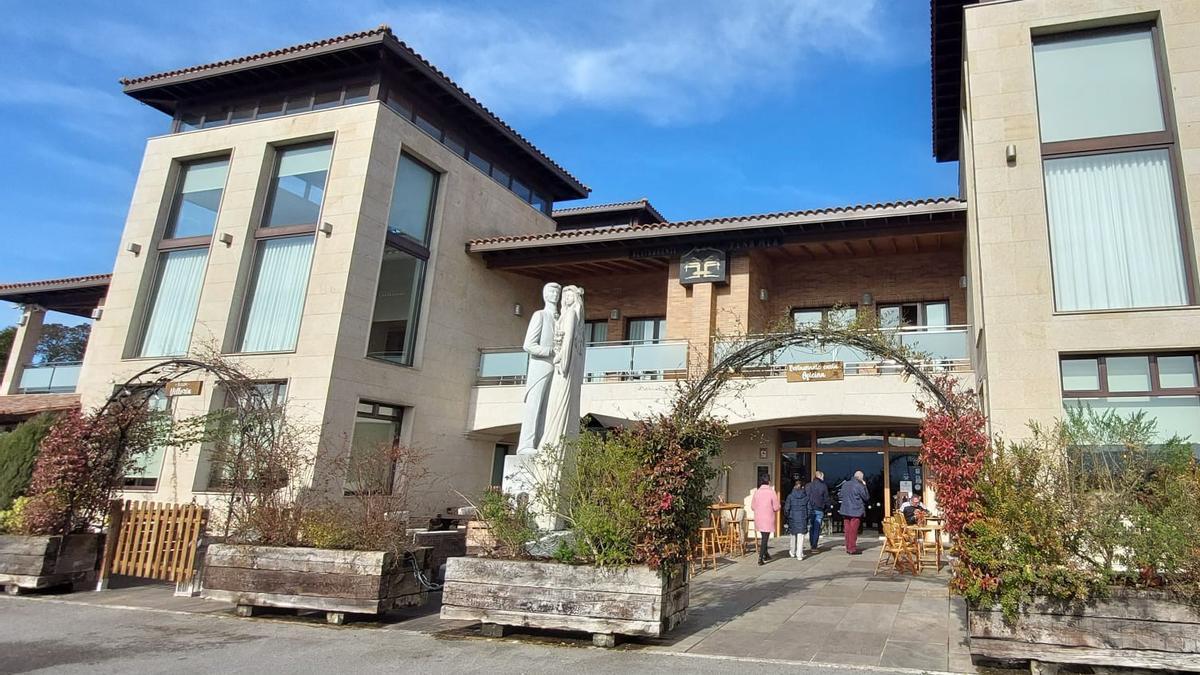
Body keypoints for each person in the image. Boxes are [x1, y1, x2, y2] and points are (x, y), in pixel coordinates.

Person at [839, 470, 870, 555]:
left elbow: (840, 495)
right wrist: (865, 486)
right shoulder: (859, 485)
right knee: (853, 530)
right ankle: (852, 549)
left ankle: (848, 547)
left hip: (845, 510)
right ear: (860, 478)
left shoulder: (845, 484)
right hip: (856, 510)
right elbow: (866, 497)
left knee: (847, 530)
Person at [751, 475, 780, 565]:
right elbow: (776, 507)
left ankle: (766, 554)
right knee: (765, 538)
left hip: (759, 517)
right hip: (768, 518)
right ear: (769, 482)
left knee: (764, 536)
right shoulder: (771, 492)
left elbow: (753, 506)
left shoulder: (757, 492)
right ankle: (761, 558)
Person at [783, 479, 811, 560]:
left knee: (793, 535)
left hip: (793, 518)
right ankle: (799, 554)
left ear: (794, 486)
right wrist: (807, 516)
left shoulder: (790, 496)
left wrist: (787, 516)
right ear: (802, 487)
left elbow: (786, 509)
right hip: (802, 518)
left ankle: (792, 551)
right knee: (801, 536)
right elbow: (809, 509)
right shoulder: (806, 497)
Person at [804, 470, 829, 551]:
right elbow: (826, 499)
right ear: (820, 476)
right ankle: (814, 545)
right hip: (819, 509)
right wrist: (827, 508)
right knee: (817, 528)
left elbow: (805, 497)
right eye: (823, 477)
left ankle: (812, 544)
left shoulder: (808, 485)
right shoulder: (823, 486)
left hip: (810, 508)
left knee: (811, 527)